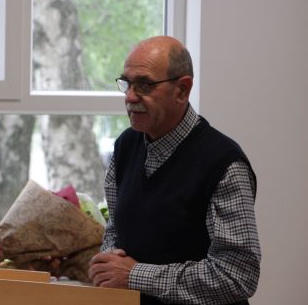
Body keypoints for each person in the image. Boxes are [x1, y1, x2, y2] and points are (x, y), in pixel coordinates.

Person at [88, 36, 260, 304]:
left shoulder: (224, 164)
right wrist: (109, 261)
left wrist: (135, 275)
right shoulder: (125, 146)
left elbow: (238, 274)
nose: (130, 96)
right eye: (127, 83)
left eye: (144, 84)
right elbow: (115, 228)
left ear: (182, 89)